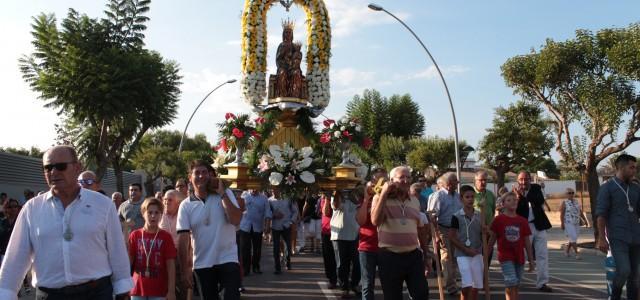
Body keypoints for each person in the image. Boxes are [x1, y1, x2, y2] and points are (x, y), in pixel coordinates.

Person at [0, 145, 132, 300]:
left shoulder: (103, 205)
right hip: (50, 295)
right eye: (48, 168)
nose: (53, 172)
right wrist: (6, 293)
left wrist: (123, 290)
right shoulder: (32, 209)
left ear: (77, 168)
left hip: (96, 293)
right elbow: (16, 257)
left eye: (60, 166)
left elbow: (117, 251)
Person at [177, 160, 242, 300]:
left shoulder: (226, 194)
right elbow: (183, 240)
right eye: (197, 173)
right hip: (202, 263)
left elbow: (236, 220)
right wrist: (185, 270)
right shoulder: (185, 206)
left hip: (228, 259)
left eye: (204, 172)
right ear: (190, 177)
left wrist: (223, 194)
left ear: (210, 175)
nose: (201, 176)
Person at [371, 166, 431, 300]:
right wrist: (384, 194)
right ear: (391, 180)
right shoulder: (379, 198)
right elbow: (375, 221)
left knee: (421, 294)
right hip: (389, 257)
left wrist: (426, 255)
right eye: (401, 177)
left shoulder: (415, 201)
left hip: (413, 256)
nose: (406, 180)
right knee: (393, 297)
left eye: (408, 177)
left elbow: (420, 230)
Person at [596, 154, 640, 300]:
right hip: (618, 237)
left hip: (636, 237)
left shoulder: (635, 188)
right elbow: (601, 215)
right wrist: (601, 238)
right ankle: (615, 296)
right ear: (621, 167)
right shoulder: (607, 188)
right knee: (624, 271)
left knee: (635, 276)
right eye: (631, 167)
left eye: (635, 167)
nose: (634, 170)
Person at [489, 192, 535, 300]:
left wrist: (531, 260)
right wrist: (486, 254)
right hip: (505, 256)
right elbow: (492, 239)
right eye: (509, 200)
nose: (513, 202)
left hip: (519, 256)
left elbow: (527, 242)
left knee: (516, 284)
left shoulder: (522, 221)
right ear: (503, 204)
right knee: (511, 282)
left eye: (515, 200)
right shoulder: (499, 220)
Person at [129, 197, 177, 300]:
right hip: (137, 288)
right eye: (150, 212)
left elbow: (171, 266)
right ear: (143, 213)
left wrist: (171, 291)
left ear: (161, 215)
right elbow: (129, 261)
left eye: (157, 213)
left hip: (159, 289)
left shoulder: (166, 236)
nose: (153, 216)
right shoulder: (135, 235)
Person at [514, 171, 553, 292]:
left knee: (542, 255)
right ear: (518, 180)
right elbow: (517, 210)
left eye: (526, 179)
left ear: (530, 179)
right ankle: (516, 280)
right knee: (522, 255)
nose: (524, 182)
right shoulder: (515, 193)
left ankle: (542, 283)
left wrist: (523, 196)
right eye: (521, 179)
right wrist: (518, 198)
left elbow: (539, 200)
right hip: (524, 228)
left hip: (538, 226)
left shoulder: (536, 188)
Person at [428, 172, 463, 295]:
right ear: (448, 183)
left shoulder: (457, 196)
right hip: (443, 228)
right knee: (447, 257)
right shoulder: (438, 196)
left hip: (456, 229)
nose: (457, 183)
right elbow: (432, 216)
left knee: (455, 257)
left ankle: (452, 279)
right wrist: (437, 234)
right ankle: (451, 286)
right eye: (455, 181)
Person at [450, 185, 485, 300]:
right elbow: (452, 236)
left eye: (472, 197)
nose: (470, 199)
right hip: (463, 254)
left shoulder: (480, 215)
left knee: (476, 286)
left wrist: (486, 230)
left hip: (477, 253)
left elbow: (484, 233)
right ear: (461, 199)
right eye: (467, 197)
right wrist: (465, 249)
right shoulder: (456, 216)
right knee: (467, 284)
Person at [357, 168, 386, 300]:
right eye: (376, 181)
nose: (378, 185)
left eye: (383, 180)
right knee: (368, 284)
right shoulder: (364, 201)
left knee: (389, 284)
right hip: (367, 247)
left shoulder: (389, 199)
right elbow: (361, 221)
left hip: (386, 247)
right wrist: (366, 198)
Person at [330, 188, 361, 299]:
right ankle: (344, 288)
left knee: (357, 263)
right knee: (342, 264)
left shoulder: (356, 195)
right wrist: (338, 192)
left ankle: (354, 284)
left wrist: (353, 193)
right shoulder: (335, 195)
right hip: (339, 235)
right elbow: (336, 206)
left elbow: (359, 204)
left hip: (354, 234)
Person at [239, 189, 272, 275]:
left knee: (257, 249)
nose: (254, 189)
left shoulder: (264, 198)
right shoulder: (244, 195)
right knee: (245, 249)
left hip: (257, 227)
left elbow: (268, 212)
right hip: (245, 226)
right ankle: (245, 269)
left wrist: (267, 226)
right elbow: (239, 208)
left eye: (256, 188)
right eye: (252, 188)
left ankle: (256, 267)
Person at [268, 188, 296, 274]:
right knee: (276, 247)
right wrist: (273, 215)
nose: (274, 192)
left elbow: (295, 211)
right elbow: (267, 213)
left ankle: (288, 261)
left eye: (275, 190)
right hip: (275, 226)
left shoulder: (288, 199)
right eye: (272, 190)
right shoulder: (269, 200)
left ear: (280, 190)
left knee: (287, 245)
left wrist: (291, 221)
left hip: (286, 225)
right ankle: (277, 267)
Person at [473, 170, 496, 263]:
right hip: (475, 231)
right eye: (481, 180)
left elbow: (494, 211)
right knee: (477, 256)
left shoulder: (490, 194)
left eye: (485, 180)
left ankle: (484, 276)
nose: (483, 182)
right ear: (475, 181)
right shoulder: (471, 194)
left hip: (489, 230)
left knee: (488, 255)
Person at [560, 188, 586, 259]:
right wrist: (562, 223)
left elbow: (580, 211)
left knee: (574, 237)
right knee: (573, 237)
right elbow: (562, 214)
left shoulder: (576, 201)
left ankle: (567, 251)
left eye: (572, 193)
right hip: (568, 223)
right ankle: (577, 254)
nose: (571, 194)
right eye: (569, 193)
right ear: (566, 194)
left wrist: (584, 219)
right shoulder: (564, 202)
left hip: (576, 222)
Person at [320, 192, 338, 288]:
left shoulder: (338, 197)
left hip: (338, 232)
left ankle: (343, 280)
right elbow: (326, 212)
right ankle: (332, 279)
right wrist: (327, 197)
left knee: (339, 258)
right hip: (327, 231)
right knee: (328, 258)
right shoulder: (324, 198)